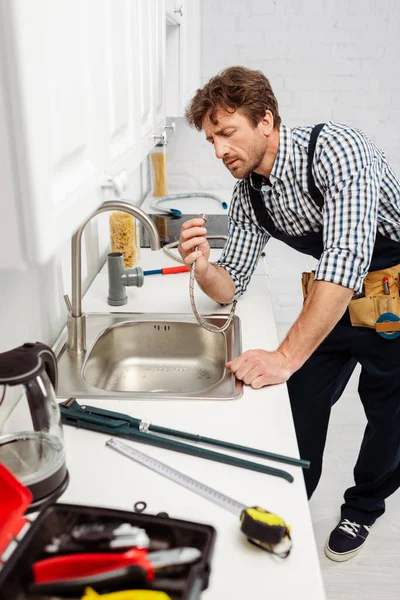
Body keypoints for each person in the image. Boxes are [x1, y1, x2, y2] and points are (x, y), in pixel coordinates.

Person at [178, 66, 400, 562]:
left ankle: (362, 509)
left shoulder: (338, 151)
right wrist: (202, 267)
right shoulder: (250, 194)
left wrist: (283, 354)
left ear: (265, 120)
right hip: (338, 293)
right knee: (301, 400)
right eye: (212, 139)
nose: (219, 151)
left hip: (393, 288)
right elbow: (230, 282)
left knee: (389, 414)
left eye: (227, 133)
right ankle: (291, 499)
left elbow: (346, 258)